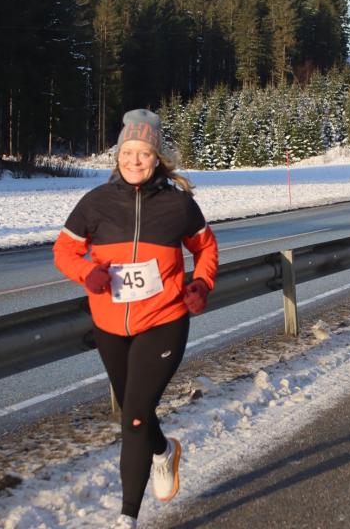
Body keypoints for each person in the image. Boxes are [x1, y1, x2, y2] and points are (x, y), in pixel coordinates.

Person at [54, 109, 218, 529]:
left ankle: (127, 518)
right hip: (110, 327)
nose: (134, 161)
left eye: (143, 153)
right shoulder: (96, 203)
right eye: (127, 152)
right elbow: (64, 250)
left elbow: (206, 247)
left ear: (157, 157)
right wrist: (87, 273)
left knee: (134, 417)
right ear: (118, 155)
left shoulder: (178, 205)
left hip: (164, 321)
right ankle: (163, 451)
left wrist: (201, 284)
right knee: (134, 409)